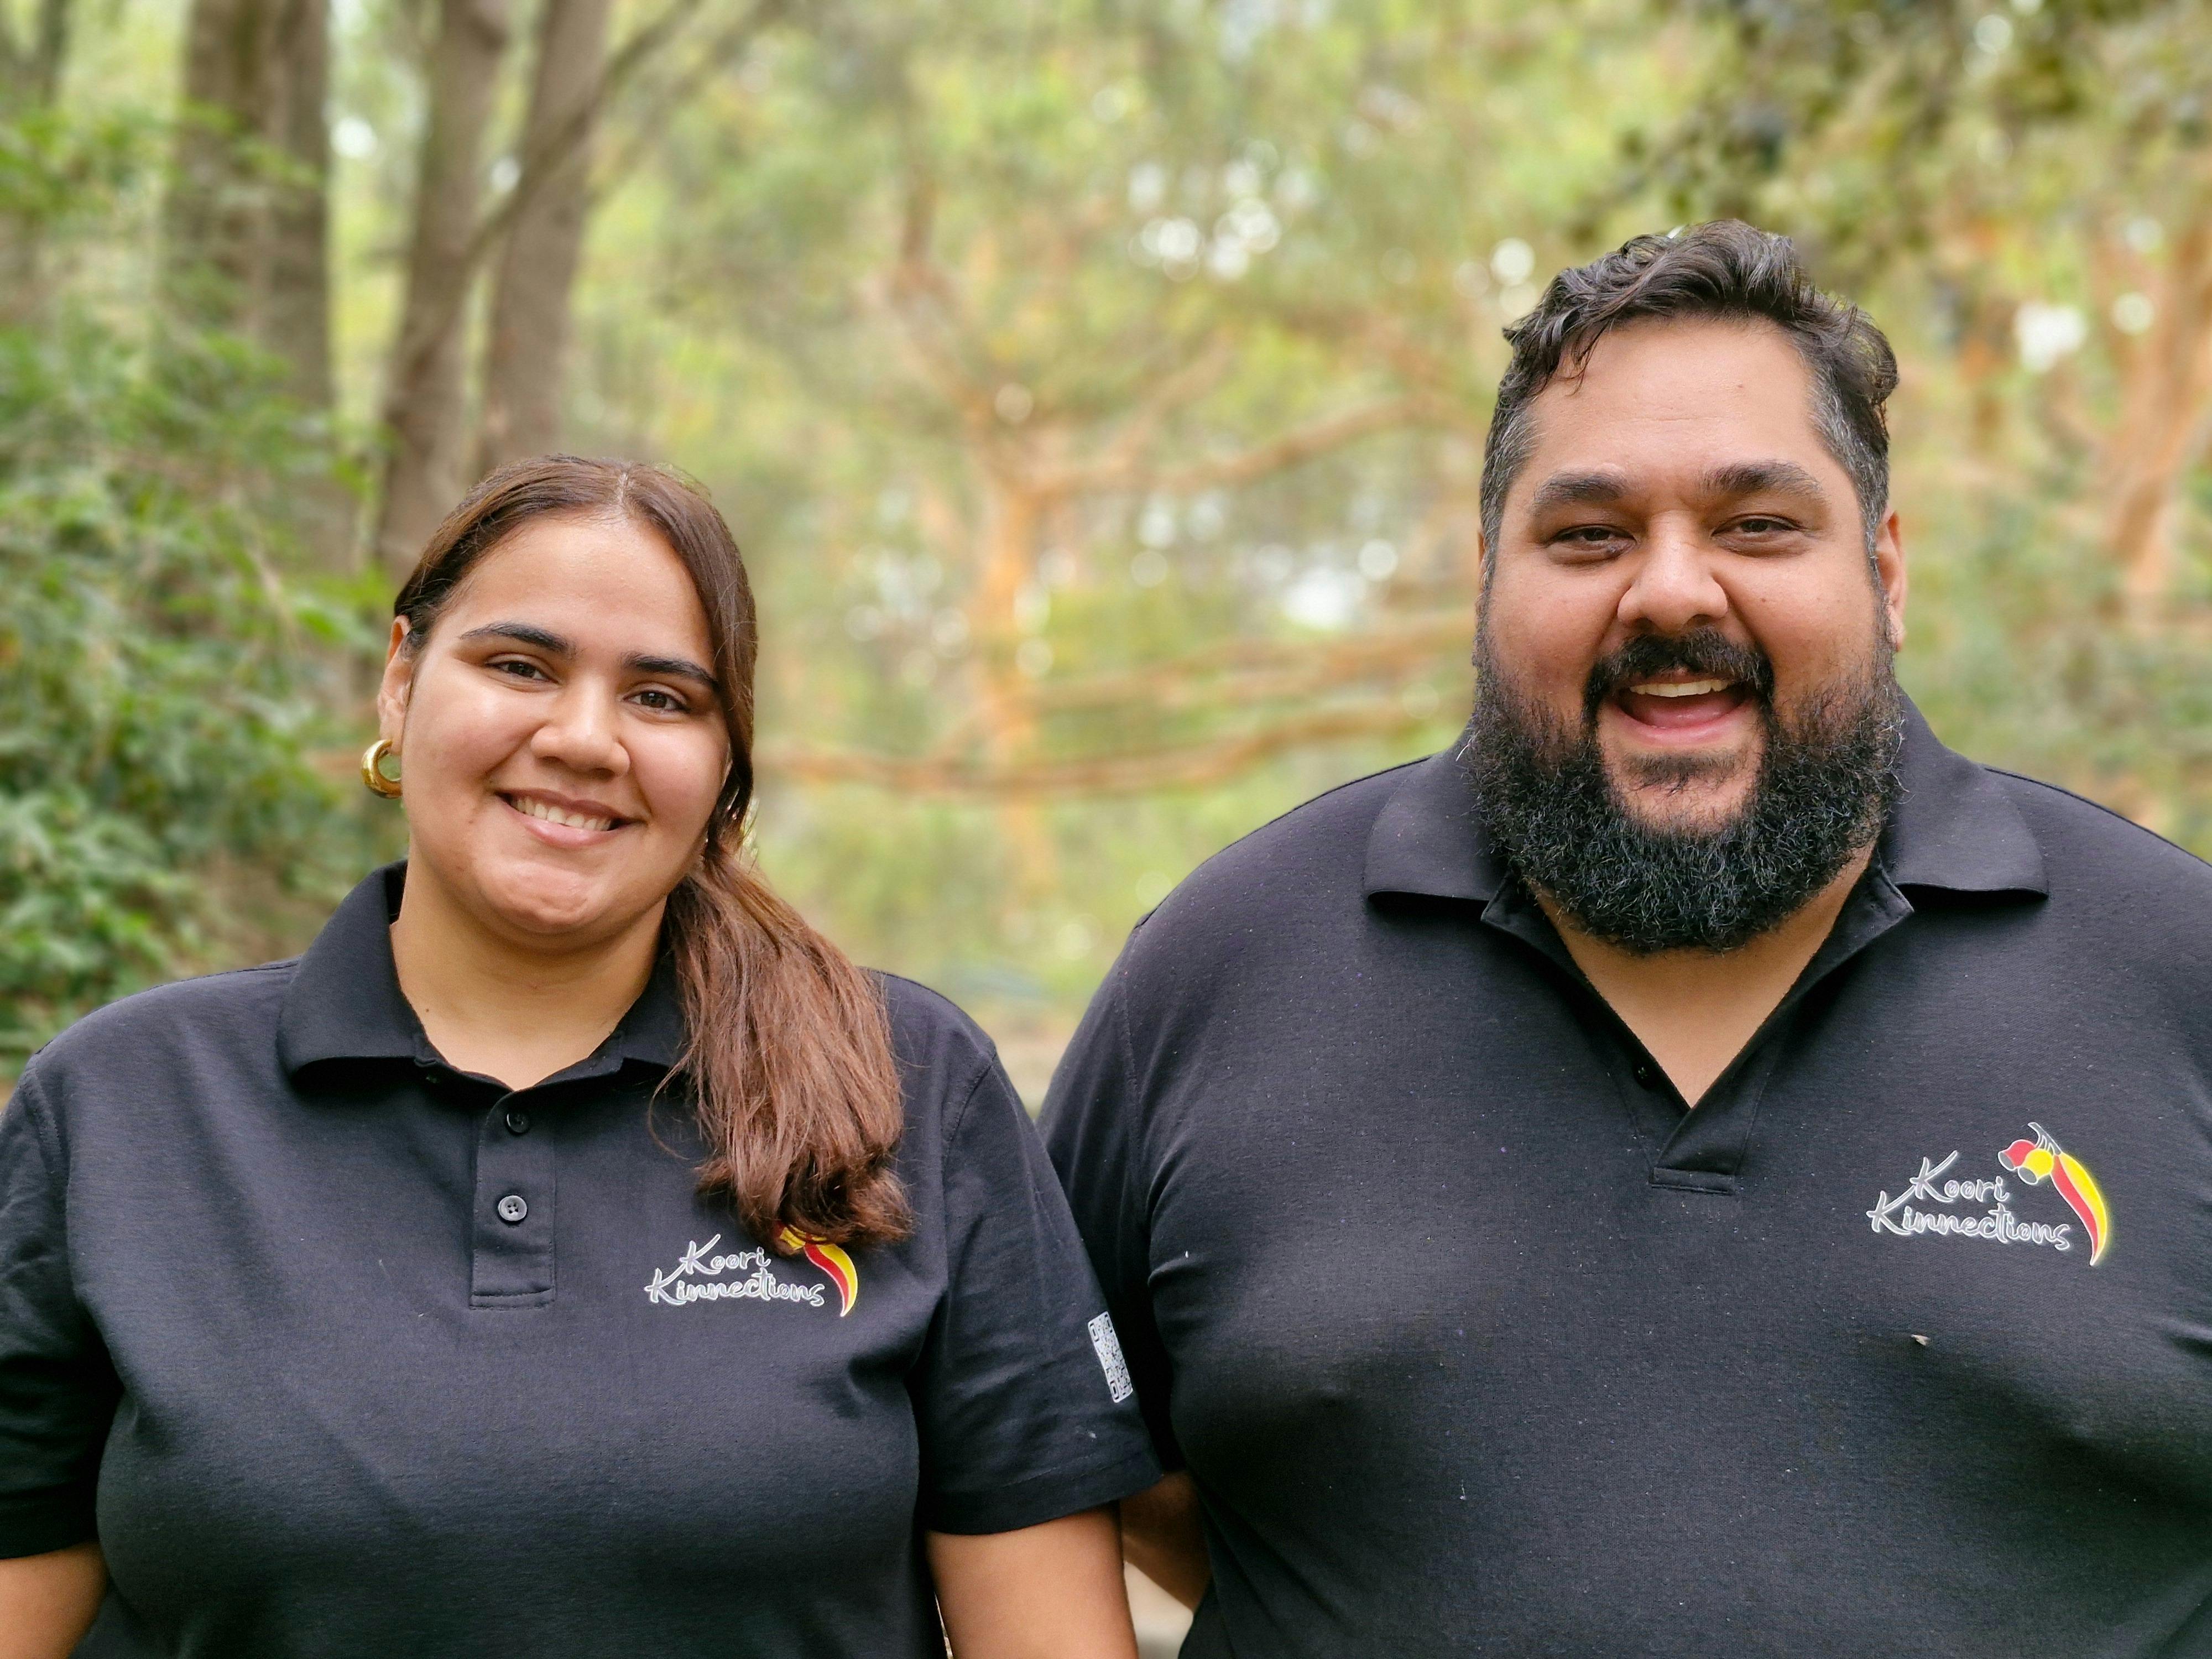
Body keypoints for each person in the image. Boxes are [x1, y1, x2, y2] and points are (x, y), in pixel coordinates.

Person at [1041, 222, 2212, 1656]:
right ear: (1487, 575)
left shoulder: (2177, 973)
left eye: (1756, 524)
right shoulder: (1215, 973)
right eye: (1588, 535)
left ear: (1887, 572)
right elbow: (1055, 1459)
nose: (1668, 591)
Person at [0, 457, 1158, 1658]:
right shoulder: (124, 1105)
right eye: (519, 666)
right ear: (400, 680)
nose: (584, 739)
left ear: (726, 764)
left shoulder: (906, 1084)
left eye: (661, 697)